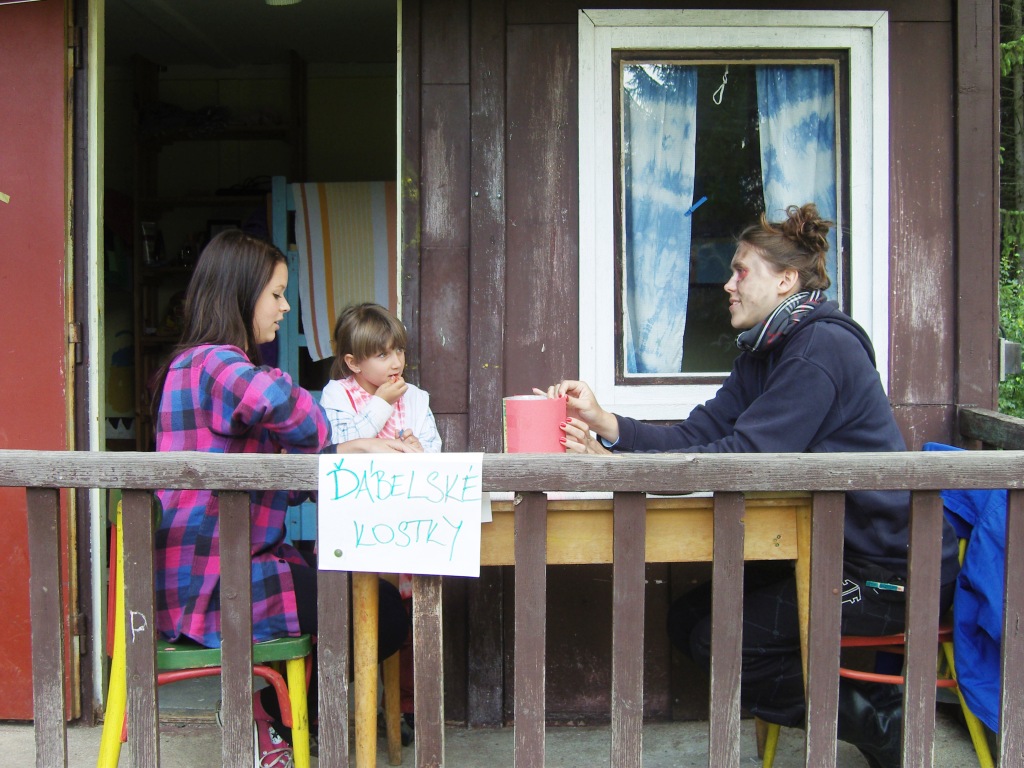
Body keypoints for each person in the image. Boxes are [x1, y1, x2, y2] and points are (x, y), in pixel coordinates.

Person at [538, 204, 960, 768]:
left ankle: (881, 723)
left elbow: (742, 459)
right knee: (690, 620)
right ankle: (873, 711)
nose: (727, 284)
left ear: (786, 280)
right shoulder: (766, 352)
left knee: (721, 637)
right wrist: (605, 423)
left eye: (741, 271)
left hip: (892, 574)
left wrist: (610, 470)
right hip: (830, 554)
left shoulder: (820, 347)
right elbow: (697, 435)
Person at [151, 231, 412, 767]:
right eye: (276, 293)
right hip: (218, 581)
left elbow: (281, 480)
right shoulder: (218, 364)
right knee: (385, 609)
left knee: (352, 594)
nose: (285, 306)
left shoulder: (194, 367)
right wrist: (317, 424)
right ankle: (273, 714)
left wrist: (346, 449)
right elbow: (303, 420)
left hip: (208, 575)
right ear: (240, 294)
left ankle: (273, 718)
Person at [320, 301, 443, 738]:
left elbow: (433, 450)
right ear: (353, 362)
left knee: (405, 614)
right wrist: (379, 405)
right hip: (355, 527)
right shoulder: (337, 395)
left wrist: (419, 448)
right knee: (358, 614)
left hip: (404, 524)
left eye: (399, 351)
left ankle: (404, 707)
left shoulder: (417, 398)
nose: (395, 362)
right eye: (382, 354)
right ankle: (352, 708)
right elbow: (339, 447)